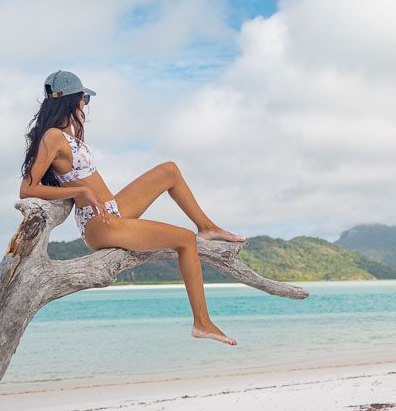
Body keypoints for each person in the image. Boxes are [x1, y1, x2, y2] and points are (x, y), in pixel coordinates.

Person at [19, 70, 244, 346]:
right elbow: (27, 189)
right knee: (185, 241)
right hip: (98, 224)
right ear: (70, 100)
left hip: (111, 209)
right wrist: (80, 190)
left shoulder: (68, 135)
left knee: (169, 170)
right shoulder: (52, 137)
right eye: (84, 99)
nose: (84, 105)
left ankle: (207, 227)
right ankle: (202, 323)